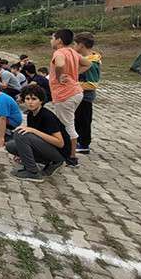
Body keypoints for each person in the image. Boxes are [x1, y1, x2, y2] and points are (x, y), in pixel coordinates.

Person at [6, 85, 71, 182]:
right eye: (27, 99)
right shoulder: (31, 114)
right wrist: (22, 153)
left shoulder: (47, 116)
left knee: (20, 134)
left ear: (41, 101)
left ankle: (32, 172)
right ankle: (40, 163)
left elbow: (60, 143)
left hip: (60, 153)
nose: (30, 102)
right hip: (46, 147)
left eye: (34, 99)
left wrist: (34, 131)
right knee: (11, 145)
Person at [49, 29, 91, 166]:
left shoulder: (59, 52)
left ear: (59, 40)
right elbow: (88, 64)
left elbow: (60, 64)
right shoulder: (73, 52)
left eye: (52, 38)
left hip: (65, 94)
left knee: (67, 125)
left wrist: (60, 75)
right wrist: (74, 75)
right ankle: (65, 151)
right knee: (66, 123)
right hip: (76, 91)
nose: (51, 41)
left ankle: (71, 157)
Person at [74, 32, 102, 154]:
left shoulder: (92, 62)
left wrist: (74, 85)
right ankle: (78, 140)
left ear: (81, 45)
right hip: (79, 96)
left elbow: (92, 84)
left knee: (84, 121)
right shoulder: (84, 59)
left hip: (85, 97)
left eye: (75, 44)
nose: (74, 46)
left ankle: (84, 144)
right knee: (77, 119)